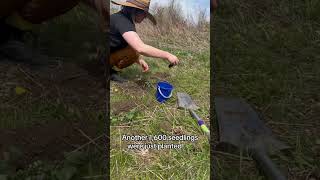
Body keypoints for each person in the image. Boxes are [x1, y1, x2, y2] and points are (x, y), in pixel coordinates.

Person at [109, 0, 179, 82]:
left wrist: (138, 60)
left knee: (133, 49)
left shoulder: (121, 18)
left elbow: (130, 45)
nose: (145, 17)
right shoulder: (123, 21)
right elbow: (140, 47)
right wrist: (168, 55)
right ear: (135, 11)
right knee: (136, 49)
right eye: (144, 14)